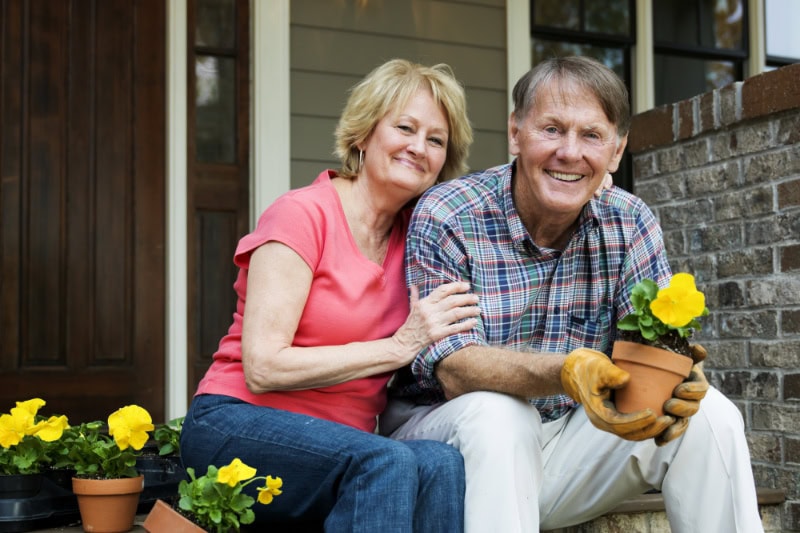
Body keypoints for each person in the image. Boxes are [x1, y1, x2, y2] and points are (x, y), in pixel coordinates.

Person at [380, 56, 763, 533]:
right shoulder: (450, 214)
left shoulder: (628, 220)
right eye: (552, 129)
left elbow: (657, 346)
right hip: (447, 446)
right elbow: (455, 370)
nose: (569, 152)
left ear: (617, 152)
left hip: (563, 447)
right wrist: (565, 372)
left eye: (591, 136)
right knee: (500, 415)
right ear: (516, 133)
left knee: (711, 415)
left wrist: (679, 370)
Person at [180, 58, 483, 531]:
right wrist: (398, 346)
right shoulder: (302, 215)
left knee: (440, 464)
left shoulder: (421, 239)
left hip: (345, 444)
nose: (418, 147)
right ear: (364, 134)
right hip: (238, 423)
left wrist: (587, 189)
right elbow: (263, 366)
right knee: (388, 462)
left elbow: (503, 207)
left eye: (436, 140)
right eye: (405, 127)